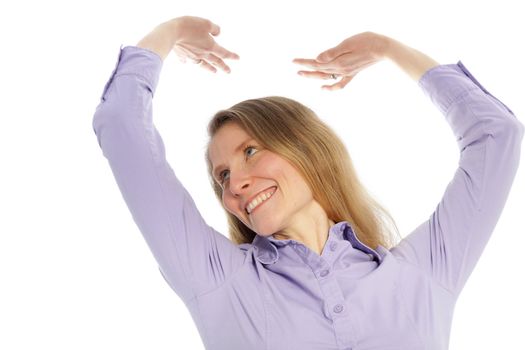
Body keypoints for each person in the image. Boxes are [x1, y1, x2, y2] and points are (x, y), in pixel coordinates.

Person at [92, 15, 523, 350]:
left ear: (305, 147)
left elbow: (496, 135)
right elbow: (120, 124)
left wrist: (388, 48)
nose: (235, 183)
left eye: (251, 151)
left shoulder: (423, 273)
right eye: (221, 175)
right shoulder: (218, 279)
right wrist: (171, 31)